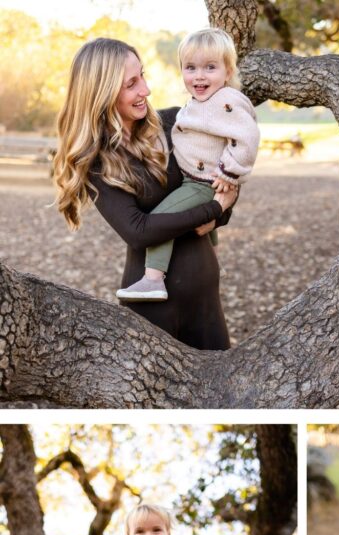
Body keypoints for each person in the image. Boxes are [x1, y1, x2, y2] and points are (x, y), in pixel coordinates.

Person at [53, 38, 238, 350]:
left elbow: (217, 179)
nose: (146, 90)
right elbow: (138, 232)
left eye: (143, 75)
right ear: (102, 92)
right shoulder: (98, 163)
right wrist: (215, 211)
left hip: (207, 301)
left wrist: (223, 211)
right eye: (131, 84)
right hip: (154, 308)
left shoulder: (177, 122)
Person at [116, 27, 258, 302]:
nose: (199, 76)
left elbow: (247, 138)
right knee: (194, 222)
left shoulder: (225, 101)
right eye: (190, 67)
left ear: (228, 72)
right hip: (198, 177)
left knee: (161, 218)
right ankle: (215, 261)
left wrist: (229, 173)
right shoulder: (200, 103)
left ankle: (152, 279)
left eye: (210, 67)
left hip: (202, 181)